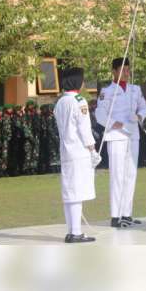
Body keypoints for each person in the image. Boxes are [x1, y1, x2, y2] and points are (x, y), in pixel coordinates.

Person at [95, 57, 146, 229]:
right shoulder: (107, 91)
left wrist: (139, 116)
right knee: (117, 175)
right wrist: (113, 123)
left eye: (128, 69)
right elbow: (100, 114)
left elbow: (144, 108)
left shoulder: (135, 89)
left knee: (131, 174)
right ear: (114, 71)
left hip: (133, 135)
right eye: (123, 70)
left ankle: (127, 214)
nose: (126, 73)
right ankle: (115, 216)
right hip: (116, 135)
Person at [54, 68, 97, 243]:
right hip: (79, 151)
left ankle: (72, 231)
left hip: (66, 151)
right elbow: (84, 129)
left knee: (69, 192)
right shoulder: (79, 101)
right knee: (77, 193)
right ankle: (76, 232)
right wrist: (92, 149)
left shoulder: (60, 102)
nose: (84, 83)